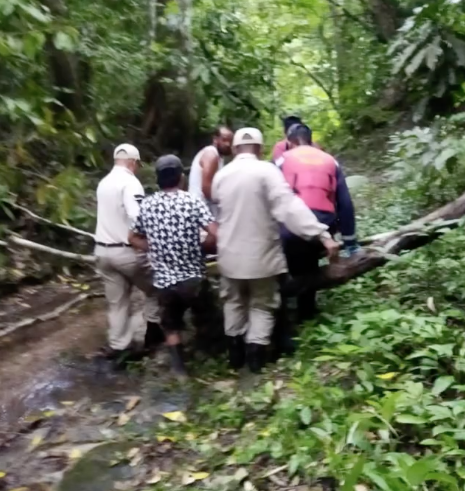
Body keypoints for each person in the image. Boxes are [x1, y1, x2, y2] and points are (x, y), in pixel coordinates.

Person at [212, 127, 340, 374]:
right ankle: (255, 362)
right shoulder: (267, 172)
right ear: (260, 149)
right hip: (262, 257)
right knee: (262, 304)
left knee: (234, 302)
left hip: (228, 257)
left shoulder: (222, 176)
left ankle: (234, 357)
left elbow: (220, 207)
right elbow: (289, 208)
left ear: (236, 148)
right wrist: (322, 235)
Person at [129, 155, 218, 378]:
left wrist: (154, 247)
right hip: (193, 278)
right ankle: (211, 355)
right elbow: (215, 233)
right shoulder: (192, 201)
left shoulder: (147, 205)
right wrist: (203, 247)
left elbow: (132, 237)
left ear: (158, 179)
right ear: (181, 177)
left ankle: (179, 370)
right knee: (207, 315)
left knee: (171, 325)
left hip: (164, 281)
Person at [280, 123, 359, 322]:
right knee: (309, 257)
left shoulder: (282, 160)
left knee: (291, 253)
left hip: (291, 226)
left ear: (289, 143)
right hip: (324, 222)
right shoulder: (331, 161)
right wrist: (350, 242)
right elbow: (345, 204)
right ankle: (306, 309)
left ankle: (286, 309)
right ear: (311, 139)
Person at [95, 143, 163, 362]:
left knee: (117, 302)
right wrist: (152, 242)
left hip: (102, 252)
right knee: (156, 288)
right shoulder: (130, 183)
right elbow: (137, 217)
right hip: (125, 252)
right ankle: (152, 338)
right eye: (137, 165)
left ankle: (118, 346)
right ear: (133, 162)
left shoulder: (104, 183)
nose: (137, 169)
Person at [188, 126, 234, 213]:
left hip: (205, 207)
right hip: (201, 208)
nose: (228, 144)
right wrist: (223, 202)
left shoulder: (218, 157)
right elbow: (206, 187)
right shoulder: (211, 154)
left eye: (230, 141)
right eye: (224, 140)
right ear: (215, 139)